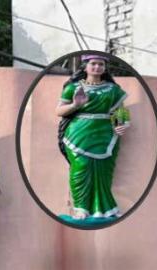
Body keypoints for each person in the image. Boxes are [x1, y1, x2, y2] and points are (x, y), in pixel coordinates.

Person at [56, 54, 130, 220]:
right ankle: (80, 207)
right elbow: (59, 111)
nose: (97, 67)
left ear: (105, 67)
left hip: (106, 135)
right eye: (93, 63)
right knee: (80, 167)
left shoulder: (113, 89)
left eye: (101, 64)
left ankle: (104, 208)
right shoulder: (73, 88)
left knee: (104, 171)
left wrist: (121, 123)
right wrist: (75, 105)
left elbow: (120, 110)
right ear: (85, 66)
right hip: (78, 134)